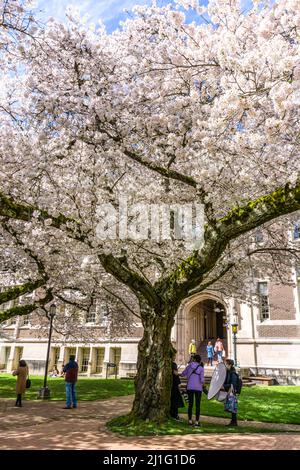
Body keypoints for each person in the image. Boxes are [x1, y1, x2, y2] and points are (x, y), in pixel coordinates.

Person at [181, 354, 204, 427]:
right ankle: (197, 421)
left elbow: (183, 374)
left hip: (190, 387)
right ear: (199, 360)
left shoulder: (189, 366)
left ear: (194, 359)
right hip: (198, 388)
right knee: (197, 405)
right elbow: (202, 380)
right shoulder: (201, 368)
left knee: (190, 405)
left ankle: (190, 420)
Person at [223, 359, 238, 426]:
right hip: (230, 391)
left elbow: (233, 384)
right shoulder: (228, 372)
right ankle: (233, 422)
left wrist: (225, 386)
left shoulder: (232, 373)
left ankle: (234, 422)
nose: (225, 365)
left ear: (230, 365)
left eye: (226, 364)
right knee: (232, 407)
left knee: (233, 407)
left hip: (232, 392)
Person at [170, 355, 184, 420]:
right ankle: (175, 415)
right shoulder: (173, 364)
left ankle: (172, 413)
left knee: (172, 399)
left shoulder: (168, 364)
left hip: (170, 384)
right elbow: (175, 373)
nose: (175, 357)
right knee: (176, 399)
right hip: (174, 384)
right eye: (174, 356)